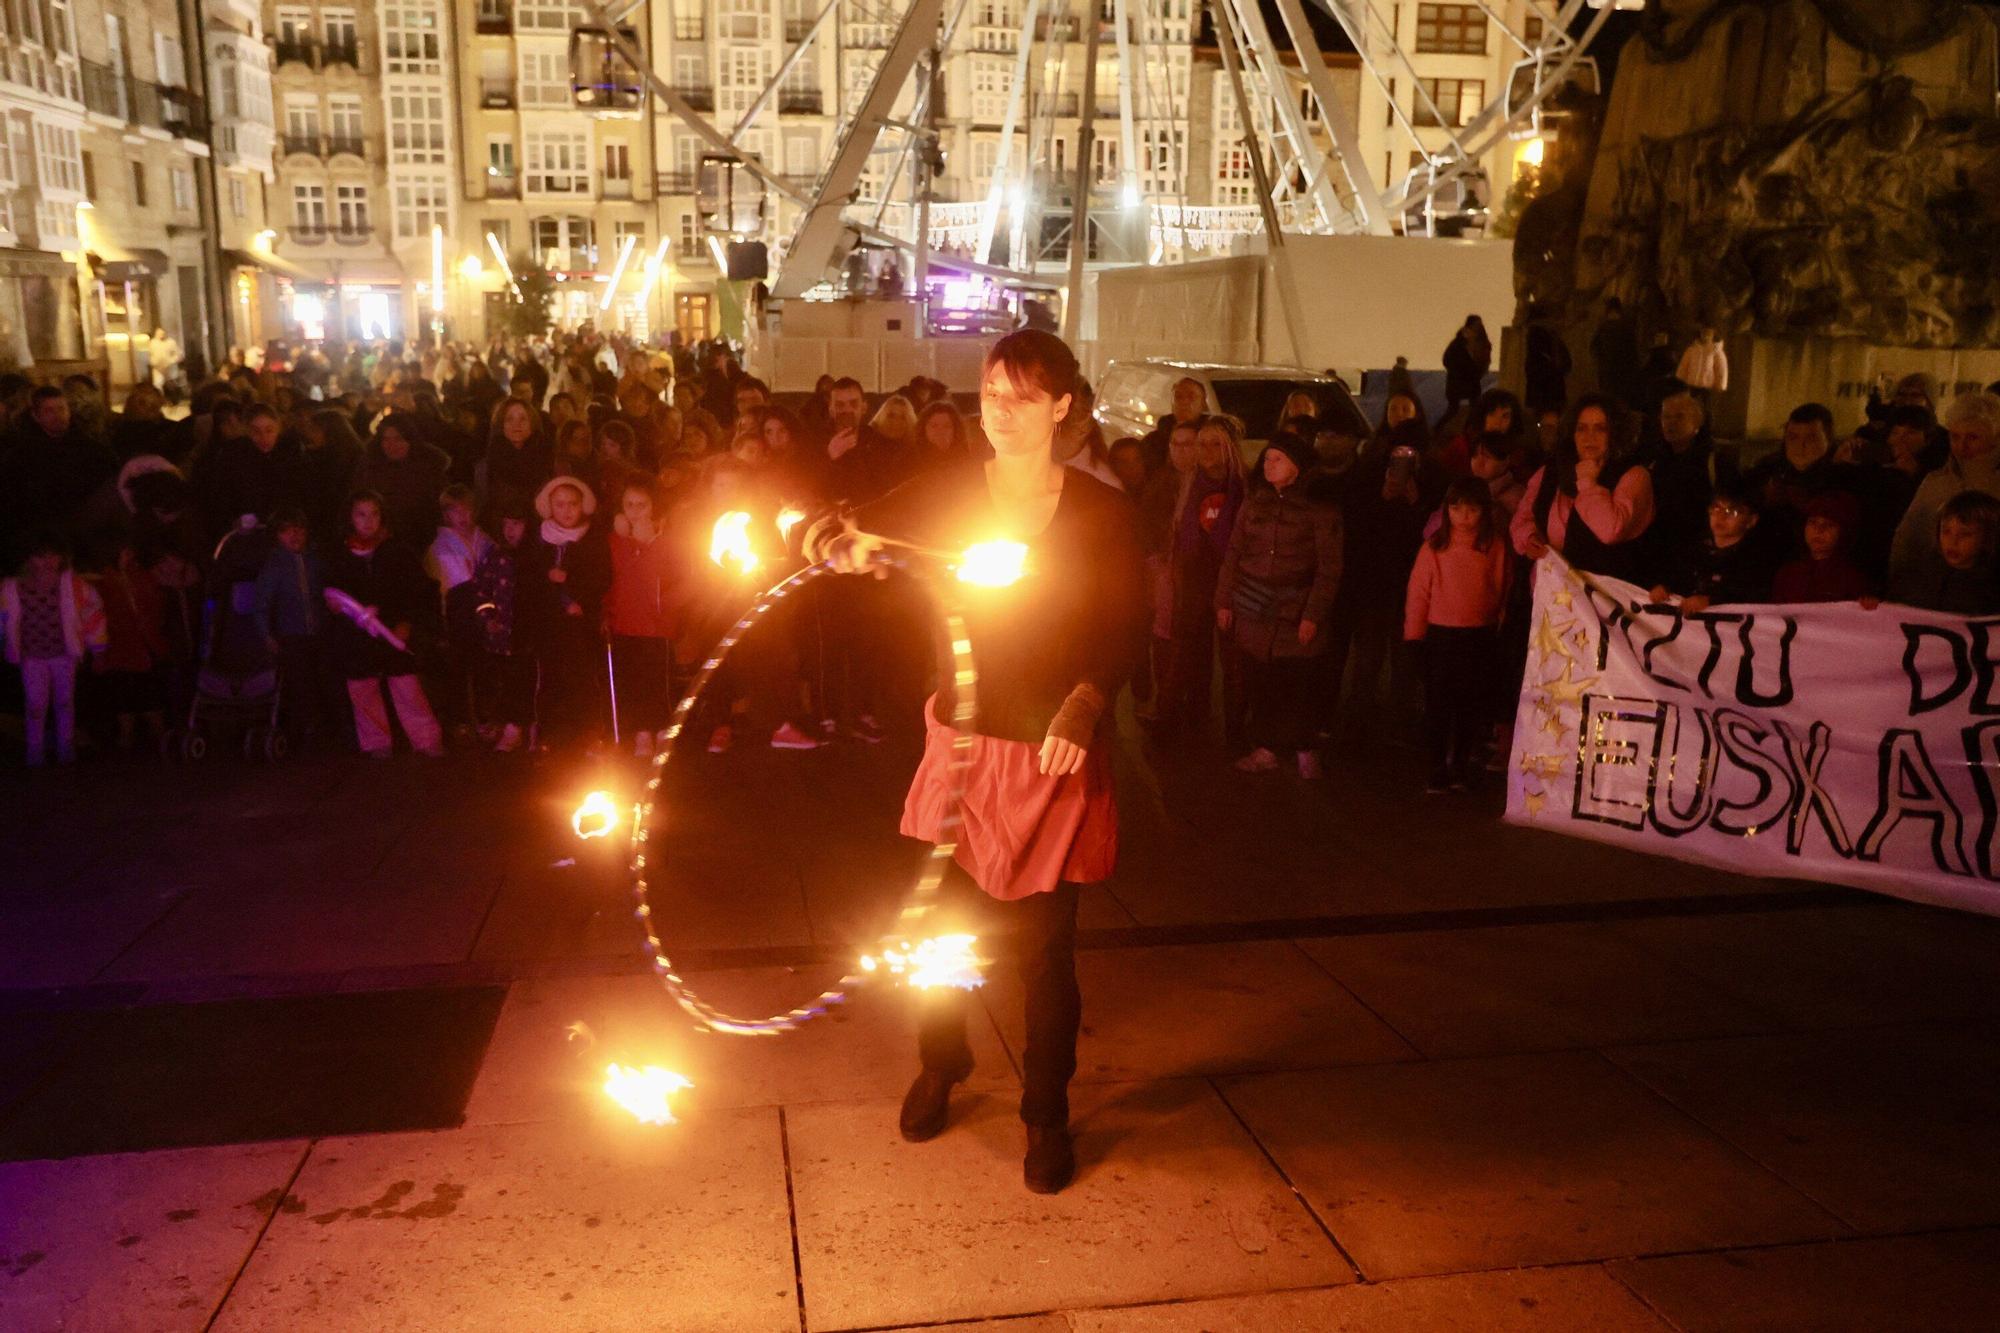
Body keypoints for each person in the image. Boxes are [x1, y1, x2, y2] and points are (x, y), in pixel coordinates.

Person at [808, 329, 1145, 1196]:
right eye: (992, 392)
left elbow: (1126, 625)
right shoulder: (949, 491)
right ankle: (943, 1058)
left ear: (1062, 405)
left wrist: (1085, 699)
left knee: (1045, 951)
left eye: (1023, 396)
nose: (1001, 410)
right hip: (962, 741)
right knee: (940, 931)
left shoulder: (1102, 511)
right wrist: (835, 541)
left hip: (1051, 752)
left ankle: (1045, 1111)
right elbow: (848, 521)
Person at [1216, 433, 1341, 778]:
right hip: (1253, 609)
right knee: (1261, 682)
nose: (1269, 465)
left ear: (1297, 468)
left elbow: (1329, 568)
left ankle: (1304, 748)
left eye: (1278, 459)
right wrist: (1223, 600)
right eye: (1267, 459)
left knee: (1297, 683)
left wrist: (1312, 615)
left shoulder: (1319, 510)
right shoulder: (1254, 503)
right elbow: (1234, 553)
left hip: (1294, 610)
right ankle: (1267, 747)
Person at [1405, 476, 1511, 793]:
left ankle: (1461, 766)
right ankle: (1438, 766)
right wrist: (1414, 637)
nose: (1464, 516)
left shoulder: (1493, 546)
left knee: (1469, 705)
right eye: (1456, 508)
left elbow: (1501, 587)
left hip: (1478, 636)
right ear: (1446, 510)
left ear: (1484, 511)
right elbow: (1418, 595)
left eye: (1472, 509)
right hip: (1441, 637)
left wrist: (1496, 625)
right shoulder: (1434, 547)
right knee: (1438, 705)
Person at [323, 492, 445, 759]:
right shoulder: (339, 555)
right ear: (350, 517)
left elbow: (419, 592)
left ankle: (426, 739)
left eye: (374, 514)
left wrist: (406, 621)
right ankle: (377, 742)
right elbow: (331, 590)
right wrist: (334, 605)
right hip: (356, 635)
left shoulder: (398, 551)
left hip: (393, 630)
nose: (368, 521)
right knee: (362, 687)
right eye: (361, 514)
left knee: (406, 685)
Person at [1161, 414, 1247, 745]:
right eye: (1202, 444)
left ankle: (1235, 732)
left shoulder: (1243, 487)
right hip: (1195, 579)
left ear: (1229, 448)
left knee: (1233, 661)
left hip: (1232, 580)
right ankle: (1188, 719)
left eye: (1215, 444)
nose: (1207, 451)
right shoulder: (1191, 484)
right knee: (1190, 652)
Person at [1512, 394, 1655, 580]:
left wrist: (1587, 483)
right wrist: (1529, 538)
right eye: (1582, 428)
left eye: (1600, 429)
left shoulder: (1634, 476)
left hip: (1604, 591)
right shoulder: (1552, 470)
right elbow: (1523, 517)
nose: (1589, 437)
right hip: (1552, 587)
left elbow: (1610, 530)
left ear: (1615, 433)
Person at [517, 477, 611, 749]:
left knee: (583, 676)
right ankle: (550, 733)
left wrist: (576, 590)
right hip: (549, 623)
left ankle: (589, 732)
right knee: (550, 678)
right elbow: (526, 578)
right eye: (560, 504)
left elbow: (601, 576)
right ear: (549, 506)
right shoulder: (538, 539)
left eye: (573, 504)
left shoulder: (593, 538)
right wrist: (548, 579)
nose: (567, 510)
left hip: (581, 622)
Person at [3, 534, 107, 766]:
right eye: (41, 556)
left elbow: (93, 616)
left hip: (64, 655)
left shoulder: (74, 586)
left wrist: (98, 650)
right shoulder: (11, 589)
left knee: (65, 702)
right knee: (35, 704)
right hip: (32, 657)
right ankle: (35, 750)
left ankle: (65, 747)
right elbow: (3, 620)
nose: (48, 561)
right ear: (29, 559)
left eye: (53, 555)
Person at [1889, 392, 2000, 590]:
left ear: (1996, 438)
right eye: (1955, 436)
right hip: (1931, 588)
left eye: (1973, 437)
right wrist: (1897, 584)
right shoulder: (1936, 482)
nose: (1961, 446)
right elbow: (1908, 539)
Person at [605, 478, 681, 757]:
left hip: (657, 624)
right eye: (629, 505)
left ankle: (662, 729)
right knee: (633, 680)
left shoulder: (666, 540)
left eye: (642, 505)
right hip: (625, 622)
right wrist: (607, 612)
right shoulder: (615, 541)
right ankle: (641, 732)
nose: (635, 511)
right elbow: (610, 579)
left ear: (653, 507)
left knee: (658, 681)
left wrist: (647, 542)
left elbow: (675, 576)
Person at [252, 509, 329, 748]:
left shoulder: (315, 561)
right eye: (286, 530)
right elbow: (261, 603)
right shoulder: (274, 565)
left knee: (323, 680)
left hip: (319, 634)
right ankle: (305, 732)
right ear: (277, 535)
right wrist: (266, 634)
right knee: (300, 684)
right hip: (291, 636)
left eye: (299, 529)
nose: (294, 534)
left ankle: (325, 729)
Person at [428, 483, 494, 738]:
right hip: (458, 616)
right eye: (455, 511)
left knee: (484, 669)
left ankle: (485, 717)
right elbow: (443, 587)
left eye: (466, 509)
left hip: (485, 614)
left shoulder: (484, 540)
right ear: (446, 515)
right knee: (459, 670)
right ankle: (461, 719)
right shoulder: (440, 547)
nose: (462, 516)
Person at [1648, 479, 1774, 613]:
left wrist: (1711, 601)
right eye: (1716, 508)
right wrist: (1663, 587)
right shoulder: (1694, 545)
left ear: (1751, 520)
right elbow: (1674, 574)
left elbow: (1749, 599)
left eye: (1733, 511)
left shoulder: (1755, 559)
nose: (1721, 516)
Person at [472, 501, 534, 752]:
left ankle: (527, 728)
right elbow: (481, 591)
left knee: (526, 682)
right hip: (500, 637)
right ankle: (508, 726)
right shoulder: (495, 556)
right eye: (506, 524)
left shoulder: (533, 557)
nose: (510, 530)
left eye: (516, 524)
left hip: (526, 636)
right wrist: (488, 618)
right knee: (504, 683)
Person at [1889, 490, 2000, 614]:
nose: (1953, 541)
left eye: (1965, 534)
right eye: (1946, 531)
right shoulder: (1919, 574)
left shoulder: (1991, 587)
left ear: (1987, 538)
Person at [1772, 492, 1876, 606]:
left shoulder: (1853, 579)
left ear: (1843, 533)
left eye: (1830, 524)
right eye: (1813, 522)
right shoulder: (1787, 574)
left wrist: (1869, 608)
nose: (1819, 530)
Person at [1138, 376, 1206, 474]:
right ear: (1172, 403)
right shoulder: (1152, 443)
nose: (1184, 402)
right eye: (1178, 397)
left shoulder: (1213, 442)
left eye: (1191, 397)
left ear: (1203, 404)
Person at [1590, 298, 1642, 408]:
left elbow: (1594, 350)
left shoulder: (1603, 328)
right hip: (1624, 374)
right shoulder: (1627, 328)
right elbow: (1633, 353)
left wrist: (1600, 365)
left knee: (1608, 404)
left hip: (1607, 374)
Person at [1442, 314, 1491, 424]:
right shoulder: (1458, 344)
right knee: (1454, 410)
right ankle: (1438, 430)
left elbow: (1484, 361)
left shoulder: (1481, 343)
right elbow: (1447, 360)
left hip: (1470, 383)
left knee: (1473, 410)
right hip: (1458, 383)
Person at [1676, 327, 1728, 395]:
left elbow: (1721, 369)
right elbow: (1684, 365)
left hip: (1707, 387)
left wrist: (1720, 385)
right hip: (1691, 385)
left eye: (1709, 334)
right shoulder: (1692, 350)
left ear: (1713, 335)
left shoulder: (1716, 352)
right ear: (1700, 334)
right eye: (1704, 333)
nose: (1706, 336)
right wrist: (1680, 378)